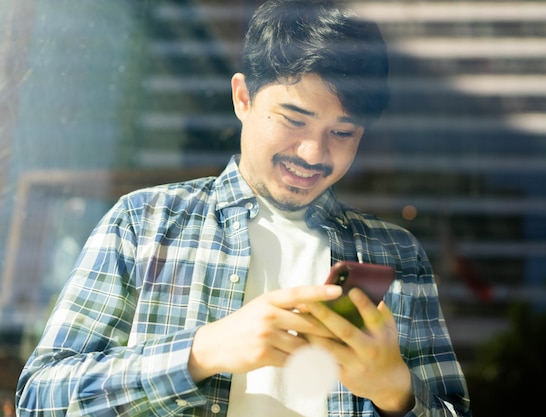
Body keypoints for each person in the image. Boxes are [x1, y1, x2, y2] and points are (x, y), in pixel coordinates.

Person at [16, 0, 471, 416]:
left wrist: (396, 391)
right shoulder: (144, 223)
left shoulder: (396, 254)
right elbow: (38, 399)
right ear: (243, 98)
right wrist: (201, 353)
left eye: (343, 133)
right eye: (294, 120)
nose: (314, 153)